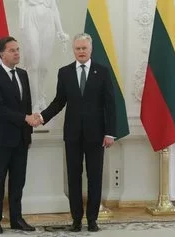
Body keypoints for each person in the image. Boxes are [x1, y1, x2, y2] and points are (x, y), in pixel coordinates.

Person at [39, 33, 116, 232]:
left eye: (84, 48)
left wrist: (110, 133)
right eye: (78, 48)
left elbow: (111, 104)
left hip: (97, 135)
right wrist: (41, 117)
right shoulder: (64, 73)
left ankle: (92, 220)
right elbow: (59, 101)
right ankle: (76, 220)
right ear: (73, 50)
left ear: (91, 50)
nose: (81, 51)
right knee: (74, 178)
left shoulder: (103, 71)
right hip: (72, 135)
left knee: (95, 177)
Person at [0, 36, 39, 234]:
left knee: (18, 181)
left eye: (18, 49)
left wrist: (29, 132)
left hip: (21, 138)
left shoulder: (23, 75)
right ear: (2, 54)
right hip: (1, 138)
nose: (17, 53)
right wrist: (25, 118)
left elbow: (27, 105)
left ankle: (16, 219)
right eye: (12, 50)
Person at [19, 0, 69, 112]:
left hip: (48, 20)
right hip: (31, 18)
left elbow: (54, 8)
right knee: (34, 64)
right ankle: (34, 102)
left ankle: (41, 98)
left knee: (44, 65)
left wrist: (60, 31)